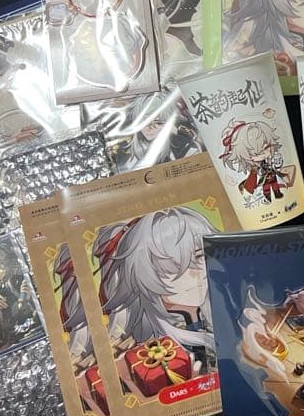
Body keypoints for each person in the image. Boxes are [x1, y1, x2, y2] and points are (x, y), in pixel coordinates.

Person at [95, 207, 216, 375]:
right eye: (172, 267)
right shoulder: (143, 346)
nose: (195, 274)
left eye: (200, 256)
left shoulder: (223, 311)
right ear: (144, 274)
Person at [219, 119, 288, 202]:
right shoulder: (254, 166)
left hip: (271, 173)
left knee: (274, 183)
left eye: (265, 144)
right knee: (265, 186)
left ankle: (277, 193)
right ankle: (267, 196)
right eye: (252, 149)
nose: (264, 150)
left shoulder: (269, 156)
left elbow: (270, 155)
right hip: (263, 176)